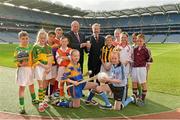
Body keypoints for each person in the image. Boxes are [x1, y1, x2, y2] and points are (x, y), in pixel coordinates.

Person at [14, 31, 38, 114]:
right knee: (22, 87)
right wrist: (20, 63)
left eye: (26, 38)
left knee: (31, 85)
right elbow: (15, 60)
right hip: (22, 70)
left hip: (29, 70)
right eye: (23, 39)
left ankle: (34, 99)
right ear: (19, 39)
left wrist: (33, 65)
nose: (25, 40)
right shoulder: (18, 49)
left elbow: (33, 60)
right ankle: (22, 106)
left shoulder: (30, 49)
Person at [32, 29, 53, 112]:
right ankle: (41, 103)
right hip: (39, 68)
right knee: (41, 85)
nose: (43, 40)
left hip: (47, 68)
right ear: (38, 38)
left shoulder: (48, 47)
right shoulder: (35, 47)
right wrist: (45, 66)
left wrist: (49, 67)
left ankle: (43, 100)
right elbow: (35, 60)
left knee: (44, 86)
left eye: (44, 38)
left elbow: (50, 58)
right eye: (41, 38)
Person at [131, 34, 153, 106]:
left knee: (143, 83)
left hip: (142, 68)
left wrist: (147, 69)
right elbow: (132, 59)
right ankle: (135, 97)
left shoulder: (146, 50)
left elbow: (149, 60)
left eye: (141, 41)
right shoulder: (134, 49)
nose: (139, 42)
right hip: (134, 68)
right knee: (134, 82)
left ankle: (143, 99)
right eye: (138, 41)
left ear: (144, 41)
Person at [44, 31, 58, 102]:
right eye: (50, 36)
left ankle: (51, 94)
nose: (52, 38)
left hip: (54, 65)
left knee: (53, 80)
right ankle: (45, 95)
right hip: (47, 65)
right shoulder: (44, 44)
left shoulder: (56, 45)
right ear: (47, 36)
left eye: (53, 37)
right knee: (46, 80)